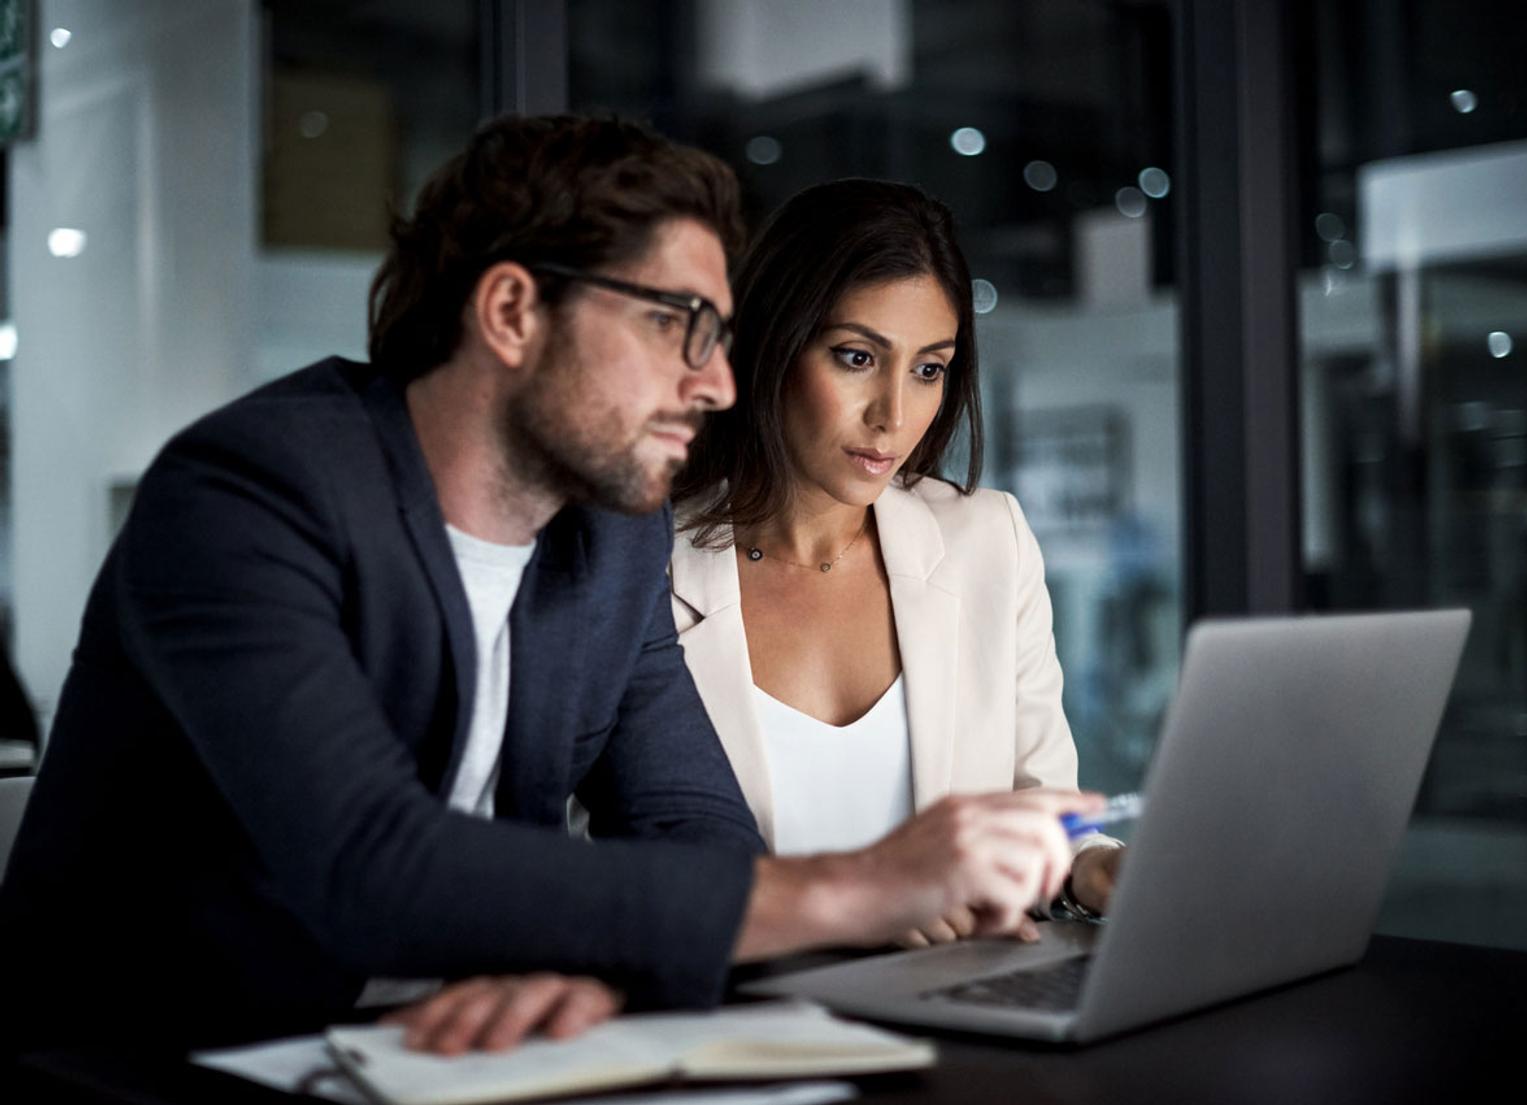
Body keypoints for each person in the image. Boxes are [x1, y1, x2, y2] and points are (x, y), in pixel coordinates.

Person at [0, 117, 1103, 1058]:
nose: (716, 381)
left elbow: (689, 821)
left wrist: (614, 970)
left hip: (473, 1053)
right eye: (678, 327)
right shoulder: (246, 494)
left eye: (721, 339)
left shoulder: (611, 540)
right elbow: (367, 861)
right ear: (513, 312)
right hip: (171, 1065)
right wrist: (863, 885)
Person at [671, 179, 1123, 947]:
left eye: (928, 368)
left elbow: (1046, 806)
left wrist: (1096, 868)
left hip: (957, 1013)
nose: (894, 414)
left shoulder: (988, 540)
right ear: (773, 342)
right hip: (739, 1020)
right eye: (856, 357)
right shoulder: (644, 565)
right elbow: (602, 859)